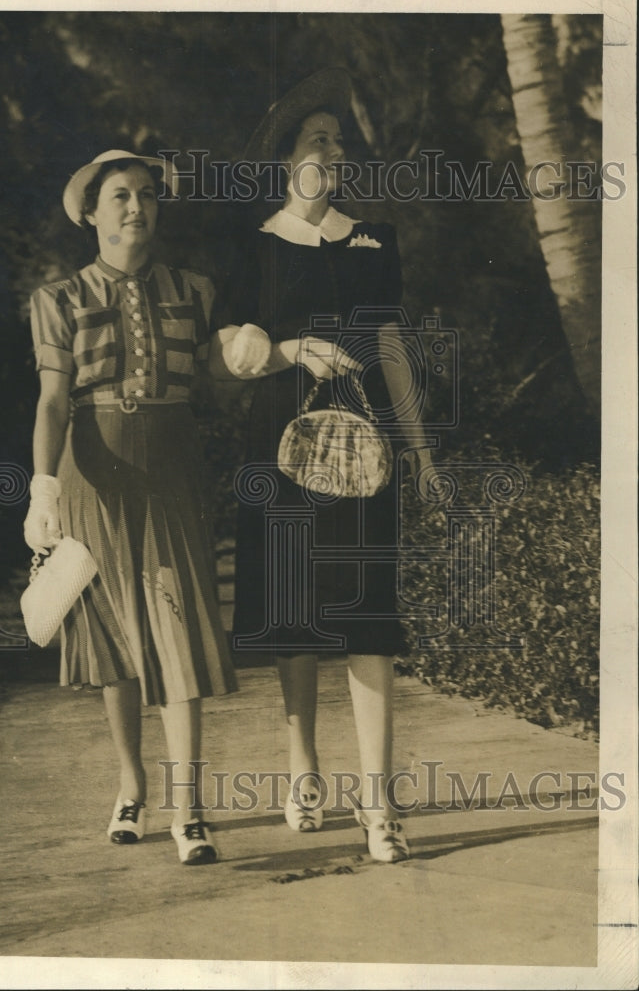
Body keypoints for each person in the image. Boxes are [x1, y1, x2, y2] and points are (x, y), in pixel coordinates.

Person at [211, 69, 437, 863]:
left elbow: (388, 349)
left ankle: (378, 806)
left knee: (368, 620)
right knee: (294, 613)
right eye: (318, 139)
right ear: (284, 159)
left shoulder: (373, 241)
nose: (333, 151)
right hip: (279, 444)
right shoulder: (254, 246)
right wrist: (284, 351)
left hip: (365, 449)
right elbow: (228, 353)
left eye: (338, 141)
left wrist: (419, 447)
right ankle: (303, 769)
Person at [24, 149, 237, 865]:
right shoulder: (56, 298)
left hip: (172, 467)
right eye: (118, 196)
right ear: (89, 211)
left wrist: (259, 354)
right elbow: (54, 400)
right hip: (93, 469)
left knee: (177, 627)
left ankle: (188, 805)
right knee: (113, 639)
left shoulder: (195, 289)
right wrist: (43, 486)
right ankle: (130, 783)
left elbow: (219, 382)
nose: (135, 207)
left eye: (147, 195)